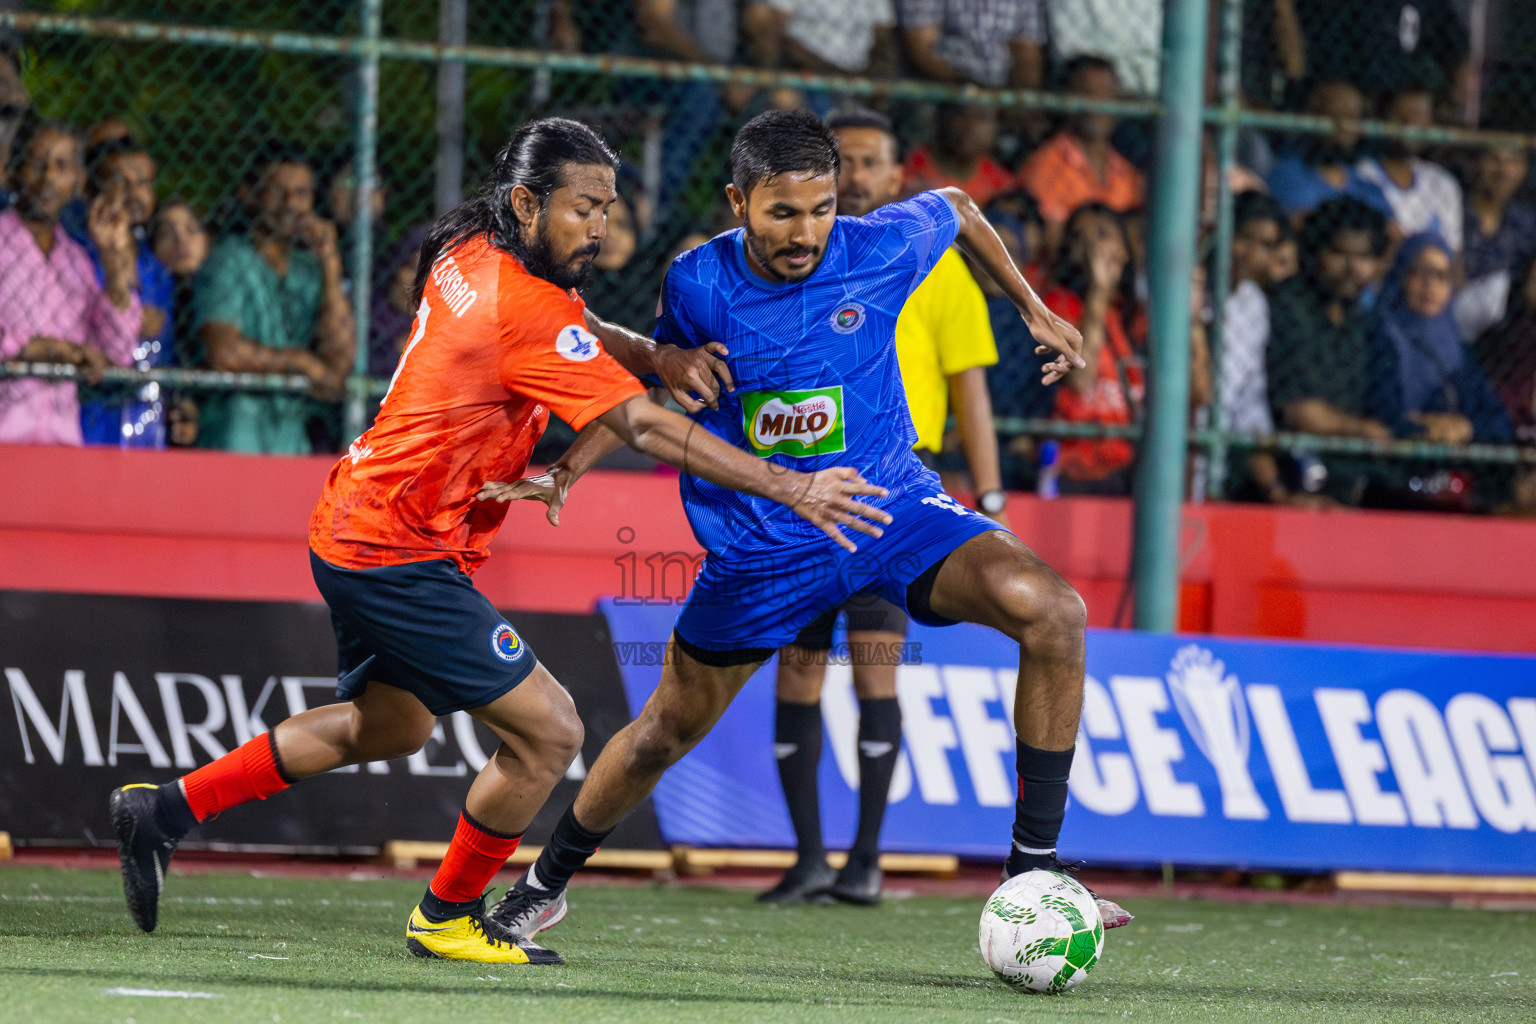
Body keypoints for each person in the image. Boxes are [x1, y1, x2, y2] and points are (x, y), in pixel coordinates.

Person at [107, 117, 889, 964]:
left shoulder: (475, 250)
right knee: (549, 732)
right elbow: (641, 424)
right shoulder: (525, 306)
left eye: (610, 209)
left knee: (390, 727)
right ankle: (445, 917)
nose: (601, 227)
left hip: (360, 523)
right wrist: (790, 484)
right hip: (395, 551)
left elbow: (580, 328)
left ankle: (164, 812)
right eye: (585, 208)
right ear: (526, 201)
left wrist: (654, 354)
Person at [486, 110, 1131, 948]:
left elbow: (963, 207)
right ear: (738, 202)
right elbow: (658, 390)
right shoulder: (697, 282)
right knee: (661, 733)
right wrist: (570, 466)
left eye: (822, 208)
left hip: (885, 508)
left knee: (1056, 612)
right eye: (783, 212)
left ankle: (1033, 872)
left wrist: (1035, 310)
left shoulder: (878, 246)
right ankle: (542, 887)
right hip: (765, 544)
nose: (806, 232)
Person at [758, 108, 1009, 906]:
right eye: (849, 163)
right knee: (796, 674)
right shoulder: (789, 264)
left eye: (872, 163)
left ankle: (865, 861)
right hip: (798, 490)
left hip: (889, 490)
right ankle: (806, 862)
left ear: (898, 176)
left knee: (875, 672)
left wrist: (991, 493)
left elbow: (971, 389)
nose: (860, 176)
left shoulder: (937, 268)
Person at [192, 142, 354, 454]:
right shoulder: (228, 258)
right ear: (249, 195)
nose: (291, 203)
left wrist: (330, 263)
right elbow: (223, 350)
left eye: (302, 193)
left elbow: (339, 360)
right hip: (235, 432)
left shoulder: (310, 268)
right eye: (276, 191)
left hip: (289, 437)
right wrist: (299, 362)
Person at [0, 120, 141, 445]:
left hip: (61, 442)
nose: (48, 177)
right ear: (12, 173)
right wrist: (32, 348)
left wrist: (113, 261)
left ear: (78, 181)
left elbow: (118, 352)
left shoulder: (77, 262)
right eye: (37, 164)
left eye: (62, 166)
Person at [1267, 196, 1395, 504]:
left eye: (1363, 257)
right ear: (1315, 253)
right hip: (1291, 471)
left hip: (1347, 475)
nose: (1352, 268)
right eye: (1339, 254)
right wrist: (1363, 430)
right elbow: (1301, 413)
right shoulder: (1289, 307)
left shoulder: (1360, 320)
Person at [69, 136, 177, 448]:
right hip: (88, 412)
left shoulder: (156, 269)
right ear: (93, 188)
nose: (134, 193)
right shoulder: (77, 254)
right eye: (120, 181)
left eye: (143, 182)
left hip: (145, 417)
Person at [1042, 203, 1145, 495]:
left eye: (1101, 234)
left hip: (1129, 467)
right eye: (1078, 237)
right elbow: (1080, 379)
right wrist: (1098, 294)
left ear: (1125, 250)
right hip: (1075, 465)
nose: (1089, 246)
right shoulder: (1057, 305)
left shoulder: (1132, 315)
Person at [1371, 233, 1511, 446]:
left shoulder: (1457, 351)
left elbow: (1498, 420)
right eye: (1420, 273)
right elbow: (1380, 414)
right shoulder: (1378, 336)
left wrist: (1467, 428)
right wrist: (1424, 427)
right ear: (1400, 276)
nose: (1430, 285)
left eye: (1442, 276)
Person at [1017, 56, 1144, 257]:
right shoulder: (1046, 165)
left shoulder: (1124, 169)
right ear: (1067, 99)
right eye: (1089, 94)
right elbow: (1052, 248)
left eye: (1107, 94)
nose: (1100, 105)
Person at [1354, 86, 1463, 255]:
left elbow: (1454, 254)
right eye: (1401, 117)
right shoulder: (1362, 174)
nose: (1410, 125)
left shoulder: (1442, 182)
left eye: (1419, 116)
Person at [1266, 81, 1392, 224]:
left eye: (1352, 117)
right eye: (1335, 116)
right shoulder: (1288, 174)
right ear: (1312, 115)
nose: (1344, 126)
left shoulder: (1365, 185)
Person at [1457, 145, 1536, 342]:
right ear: (1474, 164)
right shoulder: (1454, 210)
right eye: (1494, 160)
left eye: (1514, 162)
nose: (1504, 171)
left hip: (1503, 337)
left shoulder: (1526, 222)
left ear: (1525, 170)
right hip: (1451, 324)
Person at [897, 0, 1044, 89]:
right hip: (940, 86)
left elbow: (1026, 55)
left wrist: (1020, 100)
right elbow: (922, 51)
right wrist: (970, 90)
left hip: (998, 90)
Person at [745, 0, 897, 78]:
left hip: (858, 77)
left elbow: (882, 34)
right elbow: (778, 32)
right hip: (803, 73)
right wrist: (831, 72)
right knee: (786, 100)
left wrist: (871, 77)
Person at [902, 103, 1013, 208]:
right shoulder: (908, 167)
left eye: (982, 117)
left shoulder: (1002, 186)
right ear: (943, 116)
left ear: (995, 126)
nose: (970, 126)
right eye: (962, 114)